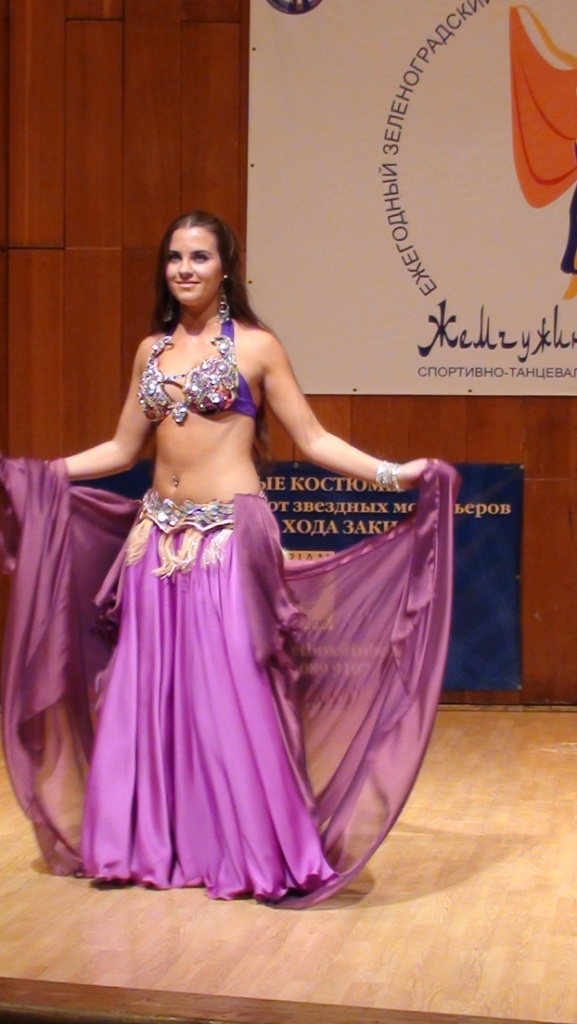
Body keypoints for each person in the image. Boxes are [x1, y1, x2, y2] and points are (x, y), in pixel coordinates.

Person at [0, 211, 458, 908]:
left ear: (225, 268)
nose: (185, 269)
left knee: (233, 695)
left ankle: (253, 849)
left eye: (199, 257)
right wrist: (37, 473)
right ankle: (148, 847)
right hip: (155, 540)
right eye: (174, 257)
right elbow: (122, 449)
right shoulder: (150, 351)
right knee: (150, 693)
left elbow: (312, 438)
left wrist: (395, 474)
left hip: (227, 538)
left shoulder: (257, 347)